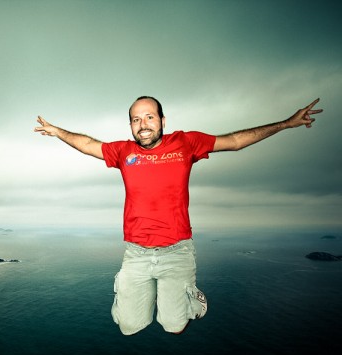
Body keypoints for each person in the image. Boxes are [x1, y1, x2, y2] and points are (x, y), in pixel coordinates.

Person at [34, 96, 322, 335]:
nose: (143, 125)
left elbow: (234, 141)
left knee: (174, 326)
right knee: (129, 327)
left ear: (162, 120)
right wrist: (58, 131)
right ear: (131, 126)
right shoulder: (123, 151)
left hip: (177, 251)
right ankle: (144, 299)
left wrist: (286, 123)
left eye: (149, 117)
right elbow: (87, 144)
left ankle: (191, 299)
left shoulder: (186, 143)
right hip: (136, 254)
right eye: (136, 119)